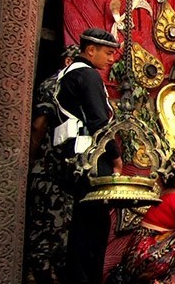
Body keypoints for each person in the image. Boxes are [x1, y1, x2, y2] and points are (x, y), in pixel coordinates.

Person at [58, 28, 122, 284]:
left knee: (83, 229)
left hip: (73, 158)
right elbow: (98, 122)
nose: (111, 59)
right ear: (90, 50)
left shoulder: (67, 75)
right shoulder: (87, 75)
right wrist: (115, 157)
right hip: (91, 161)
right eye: (107, 53)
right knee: (93, 230)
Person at [24, 45, 79, 283]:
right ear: (68, 61)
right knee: (45, 228)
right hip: (48, 169)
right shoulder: (55, 84)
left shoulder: (74, 86)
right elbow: (40, 124)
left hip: (64, 171)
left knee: (60, 229)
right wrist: (29, 160)